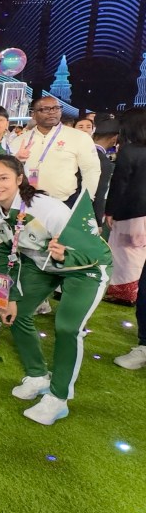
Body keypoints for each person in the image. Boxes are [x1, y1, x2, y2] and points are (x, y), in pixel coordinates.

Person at [0, 155, 111, 425]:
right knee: (16, 313)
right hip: (41, 263)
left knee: (67, 327)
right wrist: (7, 297)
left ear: (19, 179)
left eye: (3, 178)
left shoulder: (49, 209)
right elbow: (4, 253)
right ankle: (37, 376)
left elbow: (90, 250)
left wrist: (65, 256)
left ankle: (58, 398)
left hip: (84, 266)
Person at [109, 110, 146, 366]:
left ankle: (144, 344)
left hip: (133, 216)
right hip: (136, 217)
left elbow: (119, 184)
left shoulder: (131, 151)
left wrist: (111, 211)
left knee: (128, 260)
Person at [14, 97, 100, 206]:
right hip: (27, 200)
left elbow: (91, 170)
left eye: (56, 108)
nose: (52, 112)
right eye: (45, 109)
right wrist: (16, 159)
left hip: (65, 202)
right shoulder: (20, 140)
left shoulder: (79, 137)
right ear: (33, 114)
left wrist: (86, 199)